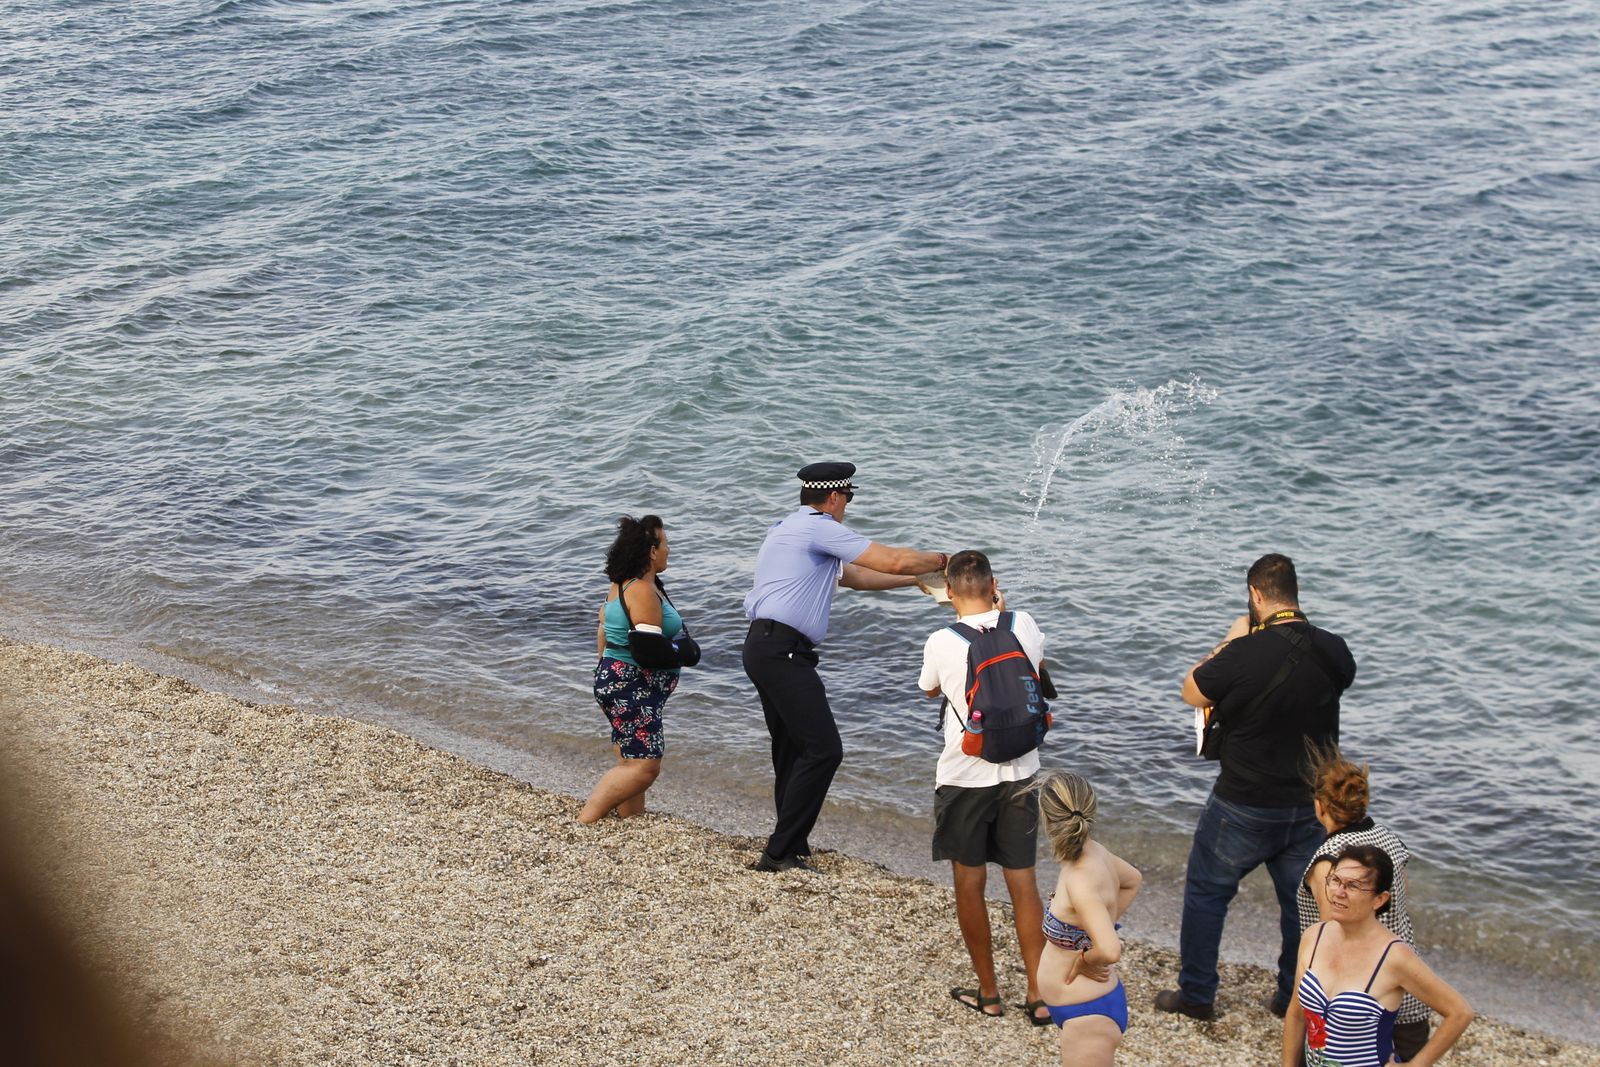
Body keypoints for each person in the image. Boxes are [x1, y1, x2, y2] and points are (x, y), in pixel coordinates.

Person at [1156, 553, 1357, 1021]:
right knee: (1301, 906)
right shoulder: (1335, 650)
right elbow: (1334, 682)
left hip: (1242, 802)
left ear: (1255, 595)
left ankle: (1197, 996)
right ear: (1295, 593)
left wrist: (1231, 638)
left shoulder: (1242, 653)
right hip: (1310, 805)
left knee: (1208, 894)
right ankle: (1291, 997)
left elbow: (1192, 690)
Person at [743, 461, 948, 873]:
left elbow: (854, 576)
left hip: (764, 646)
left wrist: (915, 582)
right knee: (824, 750)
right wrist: (947, 560)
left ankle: (791, 846)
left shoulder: (787, 527)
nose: (847, 506)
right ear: (835, 498)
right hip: (781, 650)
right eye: (848, 499)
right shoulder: (820, 527)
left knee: (792, 750)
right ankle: (779, 851)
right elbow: (891, 559)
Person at [918, 550, 1049, 1023]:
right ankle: (1038, 996)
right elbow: (1037, 667)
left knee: (970, 883)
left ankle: (990, 993)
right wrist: (1003, 611)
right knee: (1024, 885)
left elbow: (931, 689)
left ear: (948, 590)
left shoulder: (941, 640)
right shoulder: (1025, 623)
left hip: (964, 776)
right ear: (995, 584)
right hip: (1022, 771)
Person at [1282, 844, 1472, 1067]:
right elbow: (1296, 1014)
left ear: (1379, 899)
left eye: (1353, 886)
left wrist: (1416, 1065)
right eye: (1335, 880)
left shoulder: (1394, 956)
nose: (1339, 892)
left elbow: (1459, 1012)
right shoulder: (1314, 936)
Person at [1296, 750, 1430, 1060]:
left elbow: (1335, 933)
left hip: (1356, 1007)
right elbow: (1402, 893)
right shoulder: (1388, 838)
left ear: (1320, 807)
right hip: (1407, 991)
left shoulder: (1329, 862)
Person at [579, 515, 685, 824]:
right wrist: (683, 652)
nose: (668, 550)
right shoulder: (640, 590)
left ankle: (630, 818)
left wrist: (604, 671)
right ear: (652, 551)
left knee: (631, 758)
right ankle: (586, 821)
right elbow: (649, 649)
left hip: (617, 679)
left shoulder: (621, 586)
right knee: (645, 767)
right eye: (665, 544)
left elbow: (603, 632)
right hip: (631, 684)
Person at [1036, 772, 1142, 1066]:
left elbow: (1110, 951)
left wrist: (1086, 958)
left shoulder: (1081, 879)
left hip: (1088, 1014)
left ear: (1046, 818)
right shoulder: (1095, 853)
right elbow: (1133, 879)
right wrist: (1098, 928)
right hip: (1081, 1008)